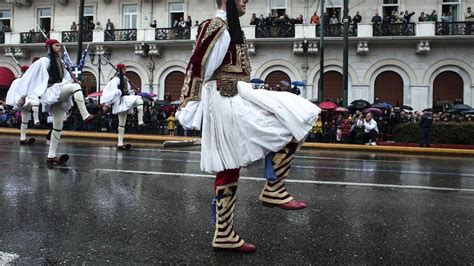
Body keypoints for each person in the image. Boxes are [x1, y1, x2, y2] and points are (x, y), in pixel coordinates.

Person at [176, 0, 319, 253]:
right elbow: (198, 67)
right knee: (294, 117)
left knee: (298, 115)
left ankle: (228, 230)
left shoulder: (228, 27)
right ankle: (268, 193)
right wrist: (190, 105)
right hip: (225, 101)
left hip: (235, 96)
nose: (245, 2)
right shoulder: (216, 25)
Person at [8, 39, 94, 164]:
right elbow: (30, 78)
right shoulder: (44, 61)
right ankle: (85, 115)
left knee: (58, 126)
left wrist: (73, 80)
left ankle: (51, 156)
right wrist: (23, 96)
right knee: (76, 88)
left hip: (58, 91)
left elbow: (65, 77)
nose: (59, 47)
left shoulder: (60, 62)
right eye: (56, 45)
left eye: (59, 45)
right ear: (49, 47)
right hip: (51, 91)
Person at [100, 64, 145, 150]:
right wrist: (107, 104)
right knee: (121, 124)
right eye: (124, 69)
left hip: (125, 99)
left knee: (139, 100)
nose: (126, 71)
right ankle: (120, 143)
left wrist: (134, 91)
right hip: (119, 101)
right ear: (120, 70)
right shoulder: (115, 80)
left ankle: (140, 121)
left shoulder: (125, 80)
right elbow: (110, 92)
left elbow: (127, 91)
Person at [5, 64, 41, 145]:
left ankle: (23, 138)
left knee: (24, 121)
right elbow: (13, 92)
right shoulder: (18, 80)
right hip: (22, 100)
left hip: (26, 100)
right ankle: (36, 121)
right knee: (36, 103)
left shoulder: (28, 80)